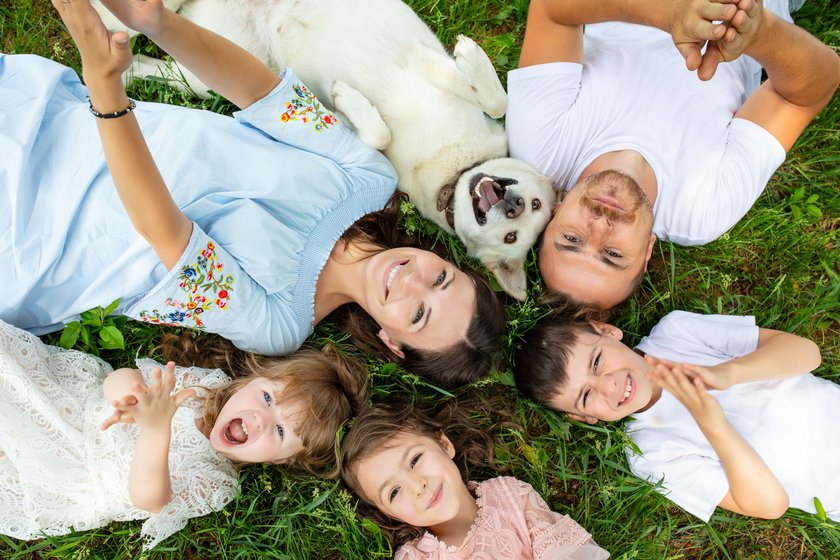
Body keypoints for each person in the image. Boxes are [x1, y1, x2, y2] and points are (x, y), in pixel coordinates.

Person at [1, 0, 506, 387]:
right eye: (440, 278)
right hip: (54, 121)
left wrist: (104, 85)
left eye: (418, 315)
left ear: (392, 343)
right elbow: (262, 94)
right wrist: (160, 23)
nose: (412, 282)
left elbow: (162, 230)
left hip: (35, 237)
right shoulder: (369, 179)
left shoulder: (279, 324)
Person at [506, 0, 840, 309]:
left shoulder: (542, 149)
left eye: (571, 238)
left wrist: (672, 13)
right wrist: (759, 33)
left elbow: (553, 11)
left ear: (554, 212)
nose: (600, 227)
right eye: (612, 254)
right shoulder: (701, 209)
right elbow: (811, 88)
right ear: (647, 251)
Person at [0, 318, 367, 549]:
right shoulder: (202, 387)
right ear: (252, 379)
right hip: (70, 403)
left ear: (280, 459)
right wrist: (127, 393)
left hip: (71, 475)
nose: (259, 419)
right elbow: (117, 378)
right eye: (267, 397)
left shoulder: (217, 482)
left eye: (282, 430)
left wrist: (155, 430)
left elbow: (149, 498)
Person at [514, 310, 840, 522]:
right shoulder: (650, 455)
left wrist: (730, 373)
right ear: (583, 418)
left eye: (597, 362)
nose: (609, 387)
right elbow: (770, 505)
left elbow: (807, 353)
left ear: (607, 330)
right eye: (586, 396)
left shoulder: (677, 333)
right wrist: (714, 426)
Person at [340, 399, 610, 560]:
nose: (417, 485)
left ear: (444, 444)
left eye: (414, 460)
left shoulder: (511, 497)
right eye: (394, 492)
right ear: (387, 512)